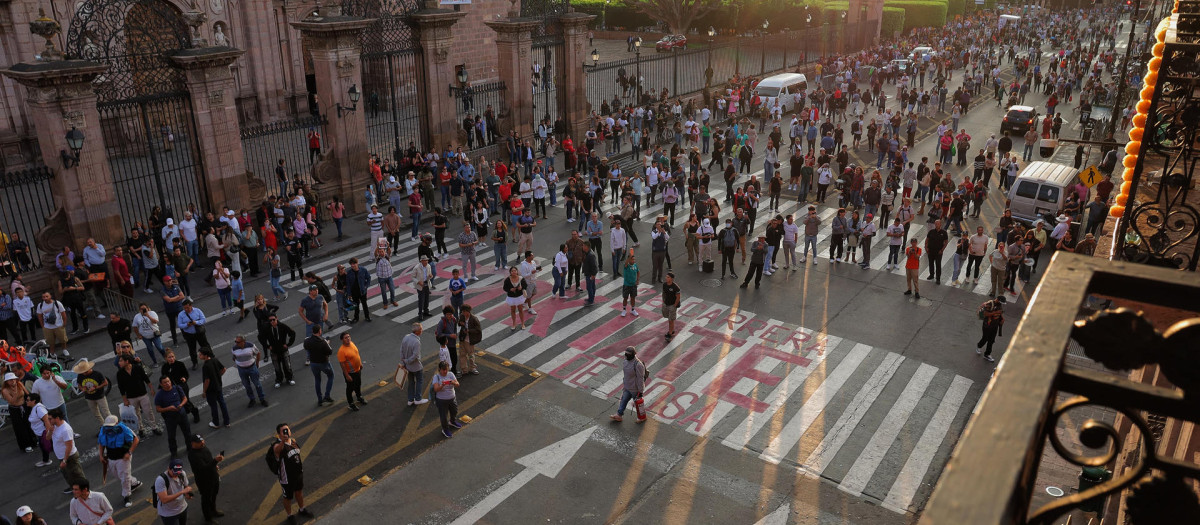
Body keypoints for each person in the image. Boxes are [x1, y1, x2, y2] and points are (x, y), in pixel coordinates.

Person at [96, 414, 143, 508]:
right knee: (118, 475)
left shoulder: (124, 429)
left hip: (123, 457)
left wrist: (129, 453)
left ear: (117, 423)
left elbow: (136, 440)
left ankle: (127, 496)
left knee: (124, 477)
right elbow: (101, 443)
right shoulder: (104, 430)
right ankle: (134, 483)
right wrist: (101, 455)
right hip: (111, 457)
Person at [270, 423, 314, 522]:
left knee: (299, 492)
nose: (286, 432)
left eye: (287, 430)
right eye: (283, 431)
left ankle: (302, 509)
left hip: (298, 474)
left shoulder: (293, 441)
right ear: (278, 434)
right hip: (287, 478)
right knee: (288, 497)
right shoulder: (277, 445)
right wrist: (283, 441)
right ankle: (289, 515)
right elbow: (277, 450)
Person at [116, 354, 160, 437]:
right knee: (135, 414)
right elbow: (121, 388)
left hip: (142, 394)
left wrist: (151, 388)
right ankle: (140, 429)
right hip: (131, 397)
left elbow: (145, 378)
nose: (119, 363)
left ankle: (154, 427)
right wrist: (125, 400)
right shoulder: (120, 373)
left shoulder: (137, 368)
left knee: (148, 411)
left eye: (121, 361)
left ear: (127, 361)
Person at [187, 434, 223, 524]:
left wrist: (215, 465)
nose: (202, 442)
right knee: (206, 499)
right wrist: (215, 461)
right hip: (204, 481)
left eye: (202, 440)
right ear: (193, 443)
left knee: (214, 495)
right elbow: (203, 469)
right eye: (199, 442)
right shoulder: (193, 455)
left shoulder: (204, 448)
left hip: (213, 477)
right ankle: (208, 517)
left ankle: (213, 510)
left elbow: (209, 460)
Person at [49, 407, 87, 492]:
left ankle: (84, 489)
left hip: (69, 457)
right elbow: (47, 438)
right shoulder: (54, 426)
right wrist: (50, 431)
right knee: (67, 474)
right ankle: (73, 487)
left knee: (77, 474)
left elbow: (69, 446)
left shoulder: (65, 429)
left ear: (57, 418)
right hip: (61, 456)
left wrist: (64, 460)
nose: (49, 420)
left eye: (50, 418)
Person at [154, 376, 192, 458]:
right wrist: (168, 408)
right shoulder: (159, 395)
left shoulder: (177, 388)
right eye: (165, 382)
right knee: (171, 436)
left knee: (187, 432)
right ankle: (174, 452)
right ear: (161, 384)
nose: (167, 384)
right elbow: (158, 409)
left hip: (182, 415)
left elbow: (185, 398)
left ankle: (190, 447)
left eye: (168, 381)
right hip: (170, 418)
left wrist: (181, 405)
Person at [609, 346, 647, 422]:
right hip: (627, 387)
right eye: (626, 354)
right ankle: (619, 415)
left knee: (638, 405)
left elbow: (640, 379)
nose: (626, 356)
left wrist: (640, 391)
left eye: (628, 354)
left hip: (635, 389)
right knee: (623, 400)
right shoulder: (625, 361)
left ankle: (642, 417)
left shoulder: (638, 365)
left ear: (633, 355)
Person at [231, 335, 269, 408]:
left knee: (257, 384)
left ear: (243, 341)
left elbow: (258, 353)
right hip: (241, 369)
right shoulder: (234, 348)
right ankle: (252, 399)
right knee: (247, 386)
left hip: (252, 368)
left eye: (238, 342)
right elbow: (234, 357)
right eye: (235, 341)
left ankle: (262, 399)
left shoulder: (251, 346)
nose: (236, 343)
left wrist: (257, 363)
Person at [198, 347, 230, 429]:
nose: (199, 355)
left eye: (200, 354)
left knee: (213, 406)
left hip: (211, 390)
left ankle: (216, 422)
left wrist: (204, 391)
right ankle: (227, 421)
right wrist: (217, 376)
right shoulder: (215, 359)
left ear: (205, 355)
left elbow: (207, 380)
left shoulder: (205, 366)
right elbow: (223, 369)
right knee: (222, 403)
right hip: (218, 386)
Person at [154, 458, 193, 525]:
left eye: (178, 473)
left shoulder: (182, 474)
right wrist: (182, 492)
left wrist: (187, 494)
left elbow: (186, 486)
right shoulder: (161, 480)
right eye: (174, 473)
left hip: (182, 508)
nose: (176, 475)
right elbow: (164, 499)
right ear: (168, 468)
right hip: (169, 514)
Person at [431, 360, 462, 438]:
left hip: (452, 398)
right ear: (439, 369)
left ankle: (452, 421)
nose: (445, 371)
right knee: (443, 416)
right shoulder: (436, 377)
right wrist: (442, 385)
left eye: (446, 369)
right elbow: (436, 389)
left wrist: (453, 382)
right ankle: (445, 429)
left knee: (454, 411)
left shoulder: (451, 374)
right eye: (443, 370)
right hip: (441, 400)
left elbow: (458, 384)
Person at [35, 292, 71, 360]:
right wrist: (43, 326)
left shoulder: (57, 303)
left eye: (46, 296)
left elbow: (63, 313)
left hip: (58, 325)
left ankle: (64, 350)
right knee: (50, 341)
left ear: (50, 296)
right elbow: (39, 316)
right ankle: (52, 353)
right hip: (47, 327)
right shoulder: (40, 305)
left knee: (63, 339)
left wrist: (64, 323)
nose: (45, 298)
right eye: (43, 297)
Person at [264, 314, 296, 388]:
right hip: (274, 351)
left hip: (283, 350)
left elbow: (292, 333)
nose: (272, 321)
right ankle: (279, 380)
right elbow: (261, 337)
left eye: (273, 319)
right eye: (270, 320)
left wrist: (288, 344)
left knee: (287, 365)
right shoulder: (267, 328)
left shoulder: (282, 326)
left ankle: (289, 378)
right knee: (277, 367)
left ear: (276, 319)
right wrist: (268, 346)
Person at [177, 300, 209, 369]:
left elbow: (203, 320)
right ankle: (195, 363)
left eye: (187, 307)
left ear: (191, 306)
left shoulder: (197, 311)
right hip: (189, 334)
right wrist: (187, 324)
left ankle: (210, 358)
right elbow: (179, 325)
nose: (186, 309)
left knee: (205, 346)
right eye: (184, 308)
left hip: (199, 333)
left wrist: (196, 322)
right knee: (192, 350)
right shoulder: (181, 314)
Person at [338, 332, 366, 410]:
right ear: (342, 340)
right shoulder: (341, 351)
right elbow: (342, 365)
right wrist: (347, 375)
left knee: (358, 384)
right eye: (346, 338)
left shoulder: (352, 343)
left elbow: (357, 354)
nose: (348, 339)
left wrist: (360, 364)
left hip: (357, 370)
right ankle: (351, 404)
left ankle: (359, 397)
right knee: (350, 388)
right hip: (350, 373)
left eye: (349, 337)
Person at [976, 297, 1005, 362]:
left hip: (995, 325)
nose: (1001, 304)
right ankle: (979, 345)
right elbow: (985, 314)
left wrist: (1002, 318)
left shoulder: (999, 305)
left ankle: (987, 354)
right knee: (985, 338)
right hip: (987, 325)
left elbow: (1000, 313)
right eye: (1000, 302)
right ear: (997, 299)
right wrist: (995, 312)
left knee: (991, 340)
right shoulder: (989, 304)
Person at [457, 304, 481, 375]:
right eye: (462, 312)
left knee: (471, 355)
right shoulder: (462, 316)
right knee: (462, 354)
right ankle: (464, 369)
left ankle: (472, 368)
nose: (463, 313)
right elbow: (459, 323)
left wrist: (469, 331)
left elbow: (478, 330)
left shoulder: (474, 319)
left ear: (468, 311)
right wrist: (460, 323)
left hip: (469, 340)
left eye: (464, 311)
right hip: (462, 338)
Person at [346, 258, 372, 323]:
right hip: (354, 291)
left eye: (354, 264)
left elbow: (368, 278)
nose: (352, 266)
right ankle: (356, 318)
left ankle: (367, 316)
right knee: (356, 305)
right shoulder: (349, 273)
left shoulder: (363, 270)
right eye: (351, 264)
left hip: (362, 291)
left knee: (364, 304)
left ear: (357, 263)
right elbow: (348, 284)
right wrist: (349, 294)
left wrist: (366, 286)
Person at [661, 273, 681, 340]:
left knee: (671, 320)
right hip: (666, 304)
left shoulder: (676, 287)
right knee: (667, 317)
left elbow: (678, 297)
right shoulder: (664, 285)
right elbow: (663, 293)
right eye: (666, 277)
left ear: (672, 279)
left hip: (672, 305)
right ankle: (671, 331)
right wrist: (663, 301)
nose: (666, 278)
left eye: (668, 277)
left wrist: (674, 305)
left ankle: (670, 333)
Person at [620, 253, 640, 317]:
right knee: (625, 298)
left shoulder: (635, 265)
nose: (633, 261)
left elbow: (638, 272)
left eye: (634, 259)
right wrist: (629, 257)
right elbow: (626, 263)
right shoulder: (626, 266)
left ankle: (633, 309)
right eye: (632, 259)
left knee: (633, 298)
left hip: (633, 285)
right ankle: (624, 310)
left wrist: (637, 280)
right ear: (629, 260)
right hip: (626, 285)